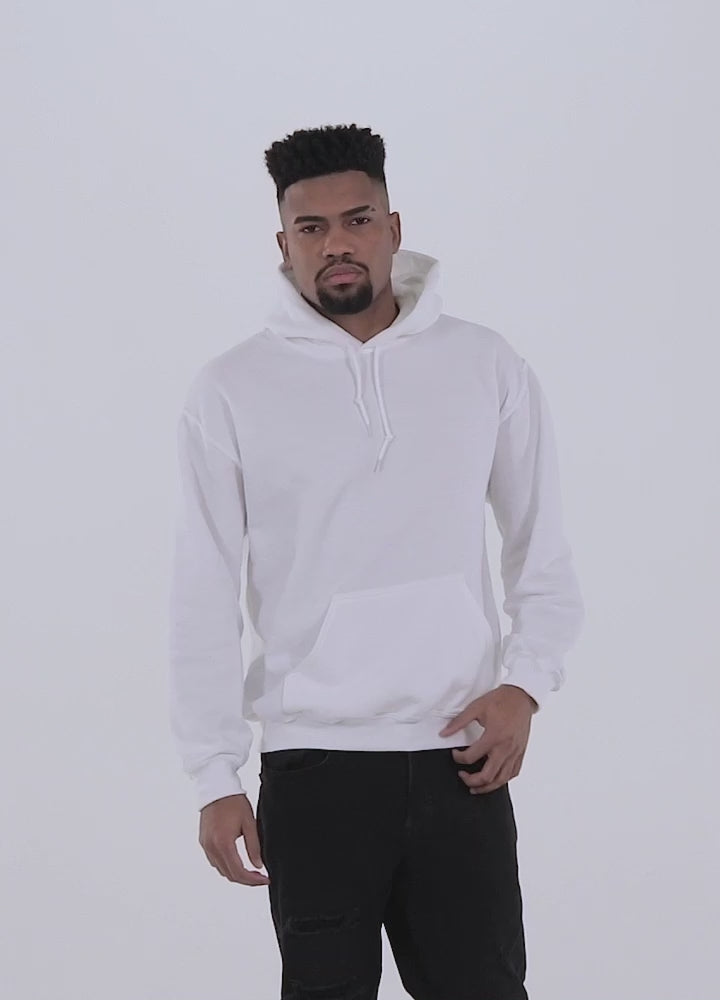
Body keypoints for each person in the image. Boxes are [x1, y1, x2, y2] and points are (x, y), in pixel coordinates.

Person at [168, 123, 584, 1000]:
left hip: (460, 760)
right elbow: (201, 589)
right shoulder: (231, 389)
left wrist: (526, 684)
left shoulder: (484, 364)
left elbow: (540, 547)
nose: (337, 245)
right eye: (311, 228)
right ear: (284, 245)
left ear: (393, 228)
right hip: (313, 766)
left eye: (357, 220)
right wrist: (213, 773)